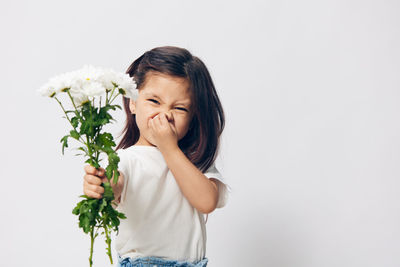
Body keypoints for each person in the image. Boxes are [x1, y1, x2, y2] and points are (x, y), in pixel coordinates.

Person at [82, 46, 230, 267]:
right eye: (154, 101)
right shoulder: (126, 159)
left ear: (193, 118)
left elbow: (207, 201)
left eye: (179, 108)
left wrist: (169, 148)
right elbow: (115, 184)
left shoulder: (195, 162)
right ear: (133, 101)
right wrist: (101, 186)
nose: (165, 115)